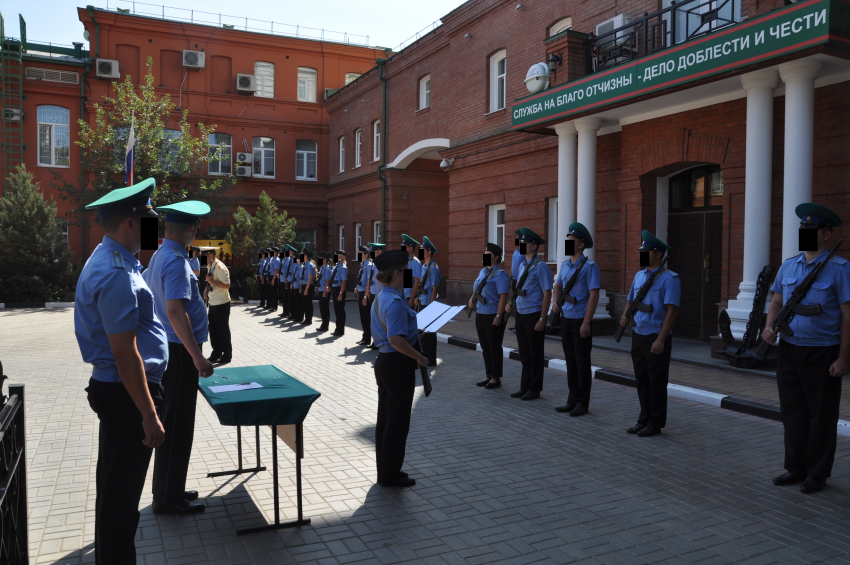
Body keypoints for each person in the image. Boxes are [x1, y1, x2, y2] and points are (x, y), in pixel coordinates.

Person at [74, 178, 167, 564]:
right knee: (121, 501)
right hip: (128, 395)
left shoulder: (113, 259)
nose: (153, 229)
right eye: (149, 221)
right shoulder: (115, 273)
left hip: (120, 390)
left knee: (116, 490)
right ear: (131, 223)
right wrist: (148, 414)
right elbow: (125, 353)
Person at [762, 203, 850, 494]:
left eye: (811, 230)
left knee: (821, 416)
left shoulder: (840, 269)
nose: (805, 234)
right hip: (789, 349)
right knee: (793, 413)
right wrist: (769, 326)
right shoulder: (789, 265)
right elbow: (776, 301)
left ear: (827, 235)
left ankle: (817, 473)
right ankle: (795, 467)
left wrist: (843, 358)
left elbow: (848, 314)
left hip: (822, 351)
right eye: (802, 230)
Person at [143, 200, 214, 515]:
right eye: (196, 229)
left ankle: (170, 488)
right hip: (180, 353)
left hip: (173, 349)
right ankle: (167, 499)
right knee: (178, 424)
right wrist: (197, 356)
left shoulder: (161, 255)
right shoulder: (174, 261)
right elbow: (174, 310)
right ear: (190, 229)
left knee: (174, 421)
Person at [371, 249, 429, 488]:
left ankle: (384, 470)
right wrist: (419, 357)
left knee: (385, 420)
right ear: (396, 273)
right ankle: (391, 475)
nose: (408, 275)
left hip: (386, 362)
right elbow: (395, 338)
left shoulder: (383, 296)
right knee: (397, 422)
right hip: (396, 364)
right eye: (405, 272)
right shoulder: (394, 302)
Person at [620, 230, 680, 438]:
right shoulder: (639, 275)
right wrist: (625, 315)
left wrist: (661, 339)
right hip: (639, 334)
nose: (642, 254)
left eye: (646, 251)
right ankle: (643, 418)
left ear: (657, 254)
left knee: (657, 381)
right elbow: (630, 299)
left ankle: (655, 422)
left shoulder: (669, 279)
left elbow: (672, 311)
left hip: (656, 336)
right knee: (642, 380)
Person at [552, 222, 600, 417]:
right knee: (570, 361)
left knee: (582, 362)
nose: (568, 243)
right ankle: (572, 399)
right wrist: (556, 303)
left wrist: (587, 322)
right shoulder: (564, 266)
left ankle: (582, 402)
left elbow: (594, 295)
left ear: (581, 245)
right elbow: (557, 286)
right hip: (567, 319)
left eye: (572, 240)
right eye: (568, 240)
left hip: (581, 319)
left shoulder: (590, 267)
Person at [507, 227, 553, 401]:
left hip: (534, 314)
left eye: (525, 243)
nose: (521, 245)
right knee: (524, 353)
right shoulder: (522, 265)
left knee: (535, 353)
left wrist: (543, 318)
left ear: (534, 246)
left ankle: (534, 389)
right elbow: (519, 288)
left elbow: (547, 293)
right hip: (521, 313)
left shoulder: (541, 267)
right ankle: (524, 386)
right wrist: (512, 304)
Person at [469, 243, 510, 389]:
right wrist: (472, 299)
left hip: (493, 314)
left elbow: (503, 296)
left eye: (488, 254)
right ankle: (488, 374)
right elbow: (477, 289)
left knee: (494, 346)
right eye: (484, 254)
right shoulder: (483, 272)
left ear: (496, 257)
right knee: (485, 346)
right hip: (480, 313)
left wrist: (499, 316)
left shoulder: (500, 275)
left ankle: (496, 377)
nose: (485, 256)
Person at [203, 248, 232, 365]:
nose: (204, 258)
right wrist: (206, 290)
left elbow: (227, 285)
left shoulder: (220, 267)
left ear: (211, 255)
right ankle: (216, 352)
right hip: (213, 302)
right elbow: (210, 281)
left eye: (206, 256)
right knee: (214, 330)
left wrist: (211, 281)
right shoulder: (211, 265)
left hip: (221, 303)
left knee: (222, 330)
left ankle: (227, 354)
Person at [417, 236, 441, 365]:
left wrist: (432, 305)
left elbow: (435, 287)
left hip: (429, 303)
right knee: (423, 331)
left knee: (430, 332)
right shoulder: (424, 266)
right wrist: (417, 298)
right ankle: (424, 355)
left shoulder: (434, 268)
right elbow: (421, 284)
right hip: (422, 301)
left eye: (423, 250)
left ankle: (431, 358)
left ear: (429, 252)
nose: (421, 252)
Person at [365, 243, 386, 349]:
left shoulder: (382, 264)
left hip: (380, 294)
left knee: (379, 319)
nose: (371, 254)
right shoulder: (373, 264)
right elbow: (370, 278)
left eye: (373, 252)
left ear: (379, 252)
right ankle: (375, 341)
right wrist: (368, 290)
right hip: (373, 293)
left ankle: (380, 341)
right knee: (374, 318)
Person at [356, 245, 374, 345]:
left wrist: (365, 296)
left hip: (365, 293)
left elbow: (368, 281)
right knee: (363, 317)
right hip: (361, 291)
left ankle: (367, 338)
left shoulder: (369, 265)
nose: (359, 255)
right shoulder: (363, 265)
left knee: (367, 317)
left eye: (360, 253)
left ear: (366, 255)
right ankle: (365, 337)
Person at [327, 249, 348, 335]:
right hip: (334, 288)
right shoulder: (336, 266)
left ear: (341, 257)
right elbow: (332, 278)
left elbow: (344, 281)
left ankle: (340, 330)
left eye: (337, 255)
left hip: (339, 289)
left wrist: (340, 293)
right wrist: (329, 286)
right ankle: (337, 328)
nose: (335, 257)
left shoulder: (343, 267)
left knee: (340, 311)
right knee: (336, 310)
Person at [509, 229, 526, 331]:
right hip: (515, 280)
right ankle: (517, 323)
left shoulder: (524, 251)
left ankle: (520, 324)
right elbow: (513, 266)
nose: (517, 240)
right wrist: (509, 278)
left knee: (520, 301)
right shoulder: (516, 251)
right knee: (515, 301)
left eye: (518, 238)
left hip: (521, 280)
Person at [402, 234, 422, 308]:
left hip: (410, 296)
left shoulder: (415, 262)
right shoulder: (407, 261)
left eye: (404, 247)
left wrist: (412, 298)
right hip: (404, 295)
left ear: (410, 248)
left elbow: (417, 281)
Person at [316, 251, 333, 332]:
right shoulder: (322, 268)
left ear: (325, 260)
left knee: (325, 308)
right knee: (321, 308)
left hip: (324, 290)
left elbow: (328, 281)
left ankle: (325, 325)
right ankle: (323, 324)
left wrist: (324, 292)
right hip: (320, 289)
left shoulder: (328, 269)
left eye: (320, 258)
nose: (319, 259)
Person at [300, 247, 316, 326]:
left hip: (308, 285)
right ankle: (307, 318)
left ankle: (308, 319)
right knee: (305, 303)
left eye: (302, 254)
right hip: (304, 285)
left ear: (306, 255)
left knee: (308, 303)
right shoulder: (305, 264)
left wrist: (306, 289)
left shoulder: (309, 265)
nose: (301, 255)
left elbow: (310, 278)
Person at [283, 245, 298, 318]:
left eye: (288, 251)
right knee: (289, 298)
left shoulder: (294, 259)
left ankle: (294, 314)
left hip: (292, 280)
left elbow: (294, 270)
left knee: (292, 298)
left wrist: (291, 281)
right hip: (288, 279)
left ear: (292, 252)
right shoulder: (290, 259)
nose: (287, 252)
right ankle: (291, 313)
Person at [291, 251, 304, 323]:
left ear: (299, 259)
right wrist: (291, 283)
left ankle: (300, 317)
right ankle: (296, 316)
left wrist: (300, 288)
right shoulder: (296, 266)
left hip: (298, 286)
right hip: (295, 285)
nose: (295, 259)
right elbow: (294, 276)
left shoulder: (301, 267)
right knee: (295, 302)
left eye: (296, 258)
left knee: (299, 303)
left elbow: (301, 278)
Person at [278, 246, 291, 317]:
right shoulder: (283, 260)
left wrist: (286, 278)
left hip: (285, 280)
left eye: (282, 252)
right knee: (284, 297)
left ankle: (287, 312)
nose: (281, 254)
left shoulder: (288, 260)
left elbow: (288, 270)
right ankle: (284, 311)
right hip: (282, 279)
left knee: (286, 297)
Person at [267, 246, 281, 312]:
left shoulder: (277, 260)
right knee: (271, 291)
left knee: (274, 292)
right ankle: (271, 306)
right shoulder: (272, 259)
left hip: (274, 276)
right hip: (270, 276)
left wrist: (273, 279)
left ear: (275, 252)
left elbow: (276, 270)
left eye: (272, 251)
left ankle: (274, 307)